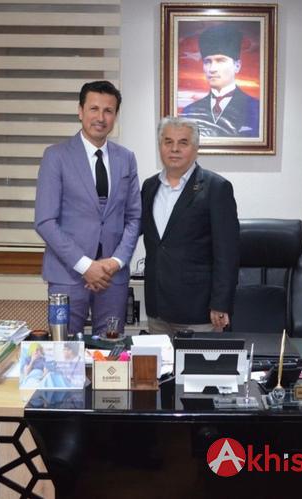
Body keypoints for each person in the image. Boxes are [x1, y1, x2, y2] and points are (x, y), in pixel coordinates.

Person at [35, 81, 141, 335]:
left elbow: (134, 217)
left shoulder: (126, 158)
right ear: (80, 111)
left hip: (112, 277)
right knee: (65, 351)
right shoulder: (56, 156)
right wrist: (86, 266)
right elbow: (45, 221)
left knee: (111, 351)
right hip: (67, 276)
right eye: (94, 109)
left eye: (108, 111)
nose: (100, 117)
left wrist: (115, 261)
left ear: (115, 115)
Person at [141, 117, 239, 334]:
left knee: (198, 359)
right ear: (160, 146)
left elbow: (227, 253)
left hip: (199, 311)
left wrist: (221, 303)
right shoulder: (149, 187)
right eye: (168, 142)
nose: (174, 149)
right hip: (157, 309)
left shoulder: (216, 188)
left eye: (183, 143)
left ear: (195, 148)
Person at [181, 23, 259, 138]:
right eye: (207, 61)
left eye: (220, 61)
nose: (212, 69)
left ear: (237, 66)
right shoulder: (189, 112)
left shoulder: (256, 109)